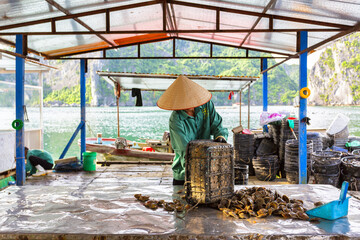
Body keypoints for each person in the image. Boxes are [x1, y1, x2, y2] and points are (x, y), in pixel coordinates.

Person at [157, 75, 228, 185]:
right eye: (184, 101)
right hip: (184, 172)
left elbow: (217, 125)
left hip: (208, 168)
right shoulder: (176, 119)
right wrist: (198, 170)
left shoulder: (206, 106)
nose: (189, 104)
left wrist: (221, 137)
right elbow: (183, 150)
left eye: (190, 99)